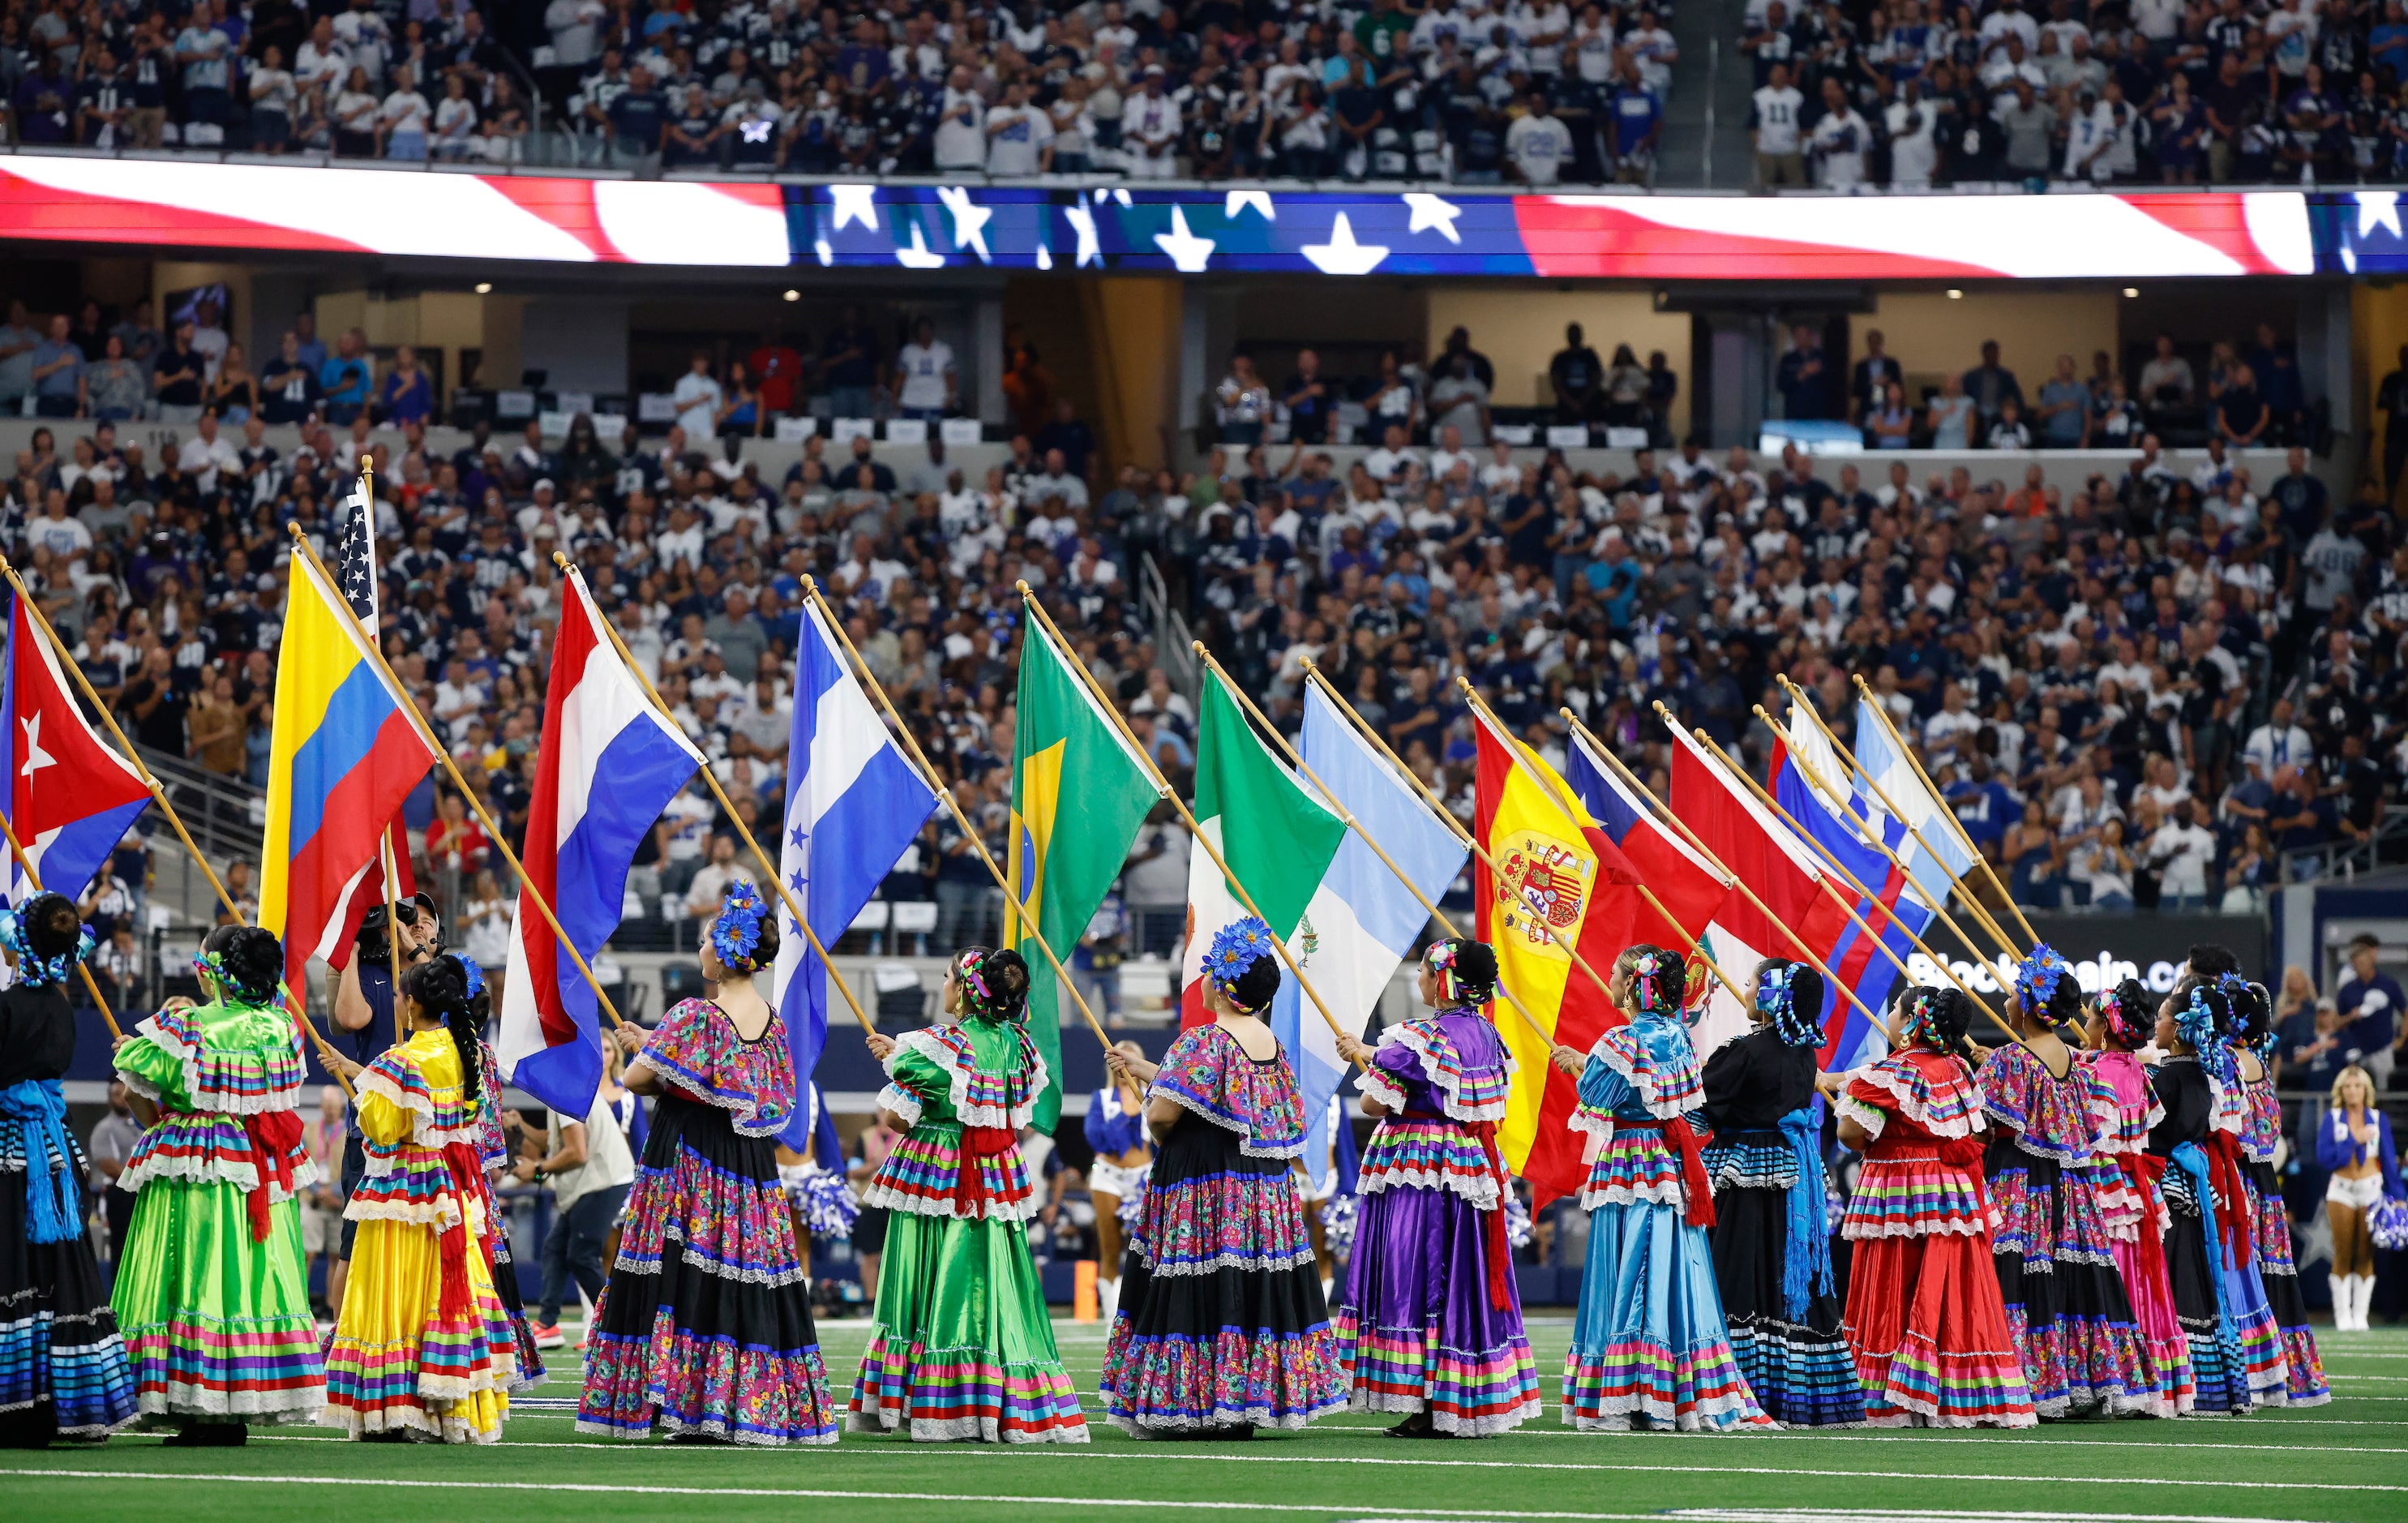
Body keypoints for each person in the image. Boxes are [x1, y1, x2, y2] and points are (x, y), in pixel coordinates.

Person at [581, 886, 838, 1444]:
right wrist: (657, 1044)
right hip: (746, 1166)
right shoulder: (773, 1024)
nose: (700, 949)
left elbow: (637, 1080)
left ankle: (677, 1401)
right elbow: (745, 1089)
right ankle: (737, 1406)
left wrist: (648, 1050)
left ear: (722, 952)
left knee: (679, 1269)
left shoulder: (695, 1015)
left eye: (704, 941)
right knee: (741, 1271)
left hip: (689, 1159)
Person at [1095, 917, 1344, 1436]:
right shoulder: (1271, 1047)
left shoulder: (1204, 1040)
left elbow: (1164, 1115)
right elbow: (1223, 1097)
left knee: (1195, 1281)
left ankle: (1192, 1406)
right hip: (1259, 1193)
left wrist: (1156, 1121)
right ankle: (1241, 1404)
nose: (1202, 980)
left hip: (1203, 1185)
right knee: (1247, 1287)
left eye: (1209, 971)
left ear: (1226, 988)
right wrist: (1144, 1072)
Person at [849, 946, 1086, 1443]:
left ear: (962, 991)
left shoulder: (937, 1046)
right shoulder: (1020, 1048)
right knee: (997, 1274)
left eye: (946, 977)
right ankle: (1002, 1394)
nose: (942, 985)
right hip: (995, 1171)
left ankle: (930, 1401)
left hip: (940, 1168)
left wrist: (896, 1062)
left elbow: (896, 1118)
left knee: (923, 1272)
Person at [112, 924, 324, 1441]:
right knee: (251, 1281)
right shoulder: (284, 1028)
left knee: (196, 1269)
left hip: (200, 1158)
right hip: (262, 1165)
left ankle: (198, 1402)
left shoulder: (189, 1027)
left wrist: (129, 1053)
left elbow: (145, 1101)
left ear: (216, 973)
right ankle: (236, 1400)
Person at [1553, 946, 1770, 1432]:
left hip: (1630, 1160)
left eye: (1613, 972)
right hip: (1666, 1161)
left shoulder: (1622, 1040)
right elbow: (1675, 1104)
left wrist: (1578, 1066)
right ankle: (1674, 1385)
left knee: (1627, 1264)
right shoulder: (1678, 1035)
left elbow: (1597, 1097)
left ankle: (1632, 1390)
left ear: (1634, 984)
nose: (1607, 978)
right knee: (1671, 1265)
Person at [1330, 938, 1541, 1437]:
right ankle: (1462, 1393)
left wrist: (1370, 1059)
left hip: (1418, 1162)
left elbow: (1374, 1106)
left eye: (1424, 970)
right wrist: (1373, 1054)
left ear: (1442, 980)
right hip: (1468, 1164)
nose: (1419, 978)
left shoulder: (1419, 1037)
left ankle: (1426, 1400)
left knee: (1416, 1272)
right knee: (1460, 1272)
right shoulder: (1489, 1036)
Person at [321, 952, 517, 1441]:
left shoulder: (401, 1060)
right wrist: (362, 1073)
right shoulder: (462, 1052)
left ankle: (397, 1404)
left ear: (410, 1004)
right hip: (450, 1189)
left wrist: (363, 1092)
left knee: (392, 1287)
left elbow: (382, 1129)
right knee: (447, 1287)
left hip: (402, 1187)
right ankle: (446, 1402)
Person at [1836, 986, 2037, 1428]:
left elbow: (1850, 1135)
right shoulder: (1958, 1069)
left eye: (1895, 1009)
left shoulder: (1897, 1072)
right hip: (1954, 1190)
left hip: (1901, 1187)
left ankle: (1898, 1396)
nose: (1889, 1014)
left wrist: (1847, 1097)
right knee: (1955, 1290)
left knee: (1898, 1283)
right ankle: (1960, 1393)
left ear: (1911, 1021)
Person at [1978, 947, 2161, 1417]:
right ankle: (2082, 1381)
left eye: (2013, 994)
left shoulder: (2012, 1061)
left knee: (2021, 1275)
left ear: (2031, 1004)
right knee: (2073, 1277)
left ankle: (2026, 1383)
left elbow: (1985, 1125)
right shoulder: (2079, 1062)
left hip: (2022, 1186)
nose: (2006, 1002)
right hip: (2072, 1191)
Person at [1698, 961, 1865, 1427]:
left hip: (1743, 1168)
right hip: (1796, 1174)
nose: (1744, 990)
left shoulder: (1744, 1051)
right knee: (1786, 1276)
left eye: (1750, 983)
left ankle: (1733, 1387)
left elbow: (1697, 1106)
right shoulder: (1805, 1055)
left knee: (1737, 1269)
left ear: (1772, 996)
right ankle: (1796, 1392)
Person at [0, 894, 136, 1444]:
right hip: (55, 1154)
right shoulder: (61, 1006)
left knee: (12, 1266)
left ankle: (16, 1403)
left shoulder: (9, 1007)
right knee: (58, 1267)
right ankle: (66, 1401)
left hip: (9, 1151)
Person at [2084, 979, 2196, 1416]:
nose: (2087, 1025)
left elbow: (2091, 1137)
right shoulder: (2133, 1068)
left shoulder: (2099, 1074)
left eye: (2092, 1019)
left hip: (2106, 1181)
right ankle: (2155, 1380)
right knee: (2145, 1279)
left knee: (2114, 1274)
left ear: (2107, 1027)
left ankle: (2119, 1379)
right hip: (2138, 1186)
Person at [2146, 976, 2256, 1414]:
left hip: (2166, 1180)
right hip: (2195, 1181)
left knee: (2171, 1271)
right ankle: (2212, 1381)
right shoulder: (2201, 1075)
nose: (2155, 1026)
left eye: (2161, 1018)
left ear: (2177, 1028)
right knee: (2196, 1272)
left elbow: (2152, 1133)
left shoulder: (2166, 1078)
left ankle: (2176, 1377)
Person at [2226, 976, 2327, 1402]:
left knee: (2243, 1278)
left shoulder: (2227, 1062)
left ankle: (2250, 1372)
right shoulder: (2261, 1065)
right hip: (2265, 1183)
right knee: (2273, 1275)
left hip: (2240, 1179)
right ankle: (2287, 1371)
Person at [514, 1066, 635, 1355]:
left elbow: (576, 1151)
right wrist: (521, 1126)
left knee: (581, 1255)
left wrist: (538, 1169)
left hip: (603, 1182)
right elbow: (555, 1141)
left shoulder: (564, 1092)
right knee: (555, 1247)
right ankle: (548, 1325)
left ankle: (614, 1323)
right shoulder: (568, 1085)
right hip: (594, 1183)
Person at [2316, 1064, 2401, 1330]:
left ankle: (2360, 1315)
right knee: (2342, 1251)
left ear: (2366, 1089)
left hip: (2370, 1189)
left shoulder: (2377, 1119)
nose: (2353, 1091)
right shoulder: (2333, 1117)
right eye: (2348, 1086)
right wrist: (2354, 1139)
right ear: (2341, 1090)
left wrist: (2398, 1195)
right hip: (2341, 1188)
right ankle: (2342, 1315)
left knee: (2365, 1253)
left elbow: (2387, 1158)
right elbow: (2324, 1157)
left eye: (2358, 1085)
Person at [1082, 1038, 1153, 1328]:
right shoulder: (1102, 1097)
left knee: (1149, 1248)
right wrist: (1126, 1116)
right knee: (1110, 1247)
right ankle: (1113, 1320)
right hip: (1108, 1178)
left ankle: (1146, 1313)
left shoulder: (1152, 1096)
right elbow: (1096, 1138)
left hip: (1144, 1177)